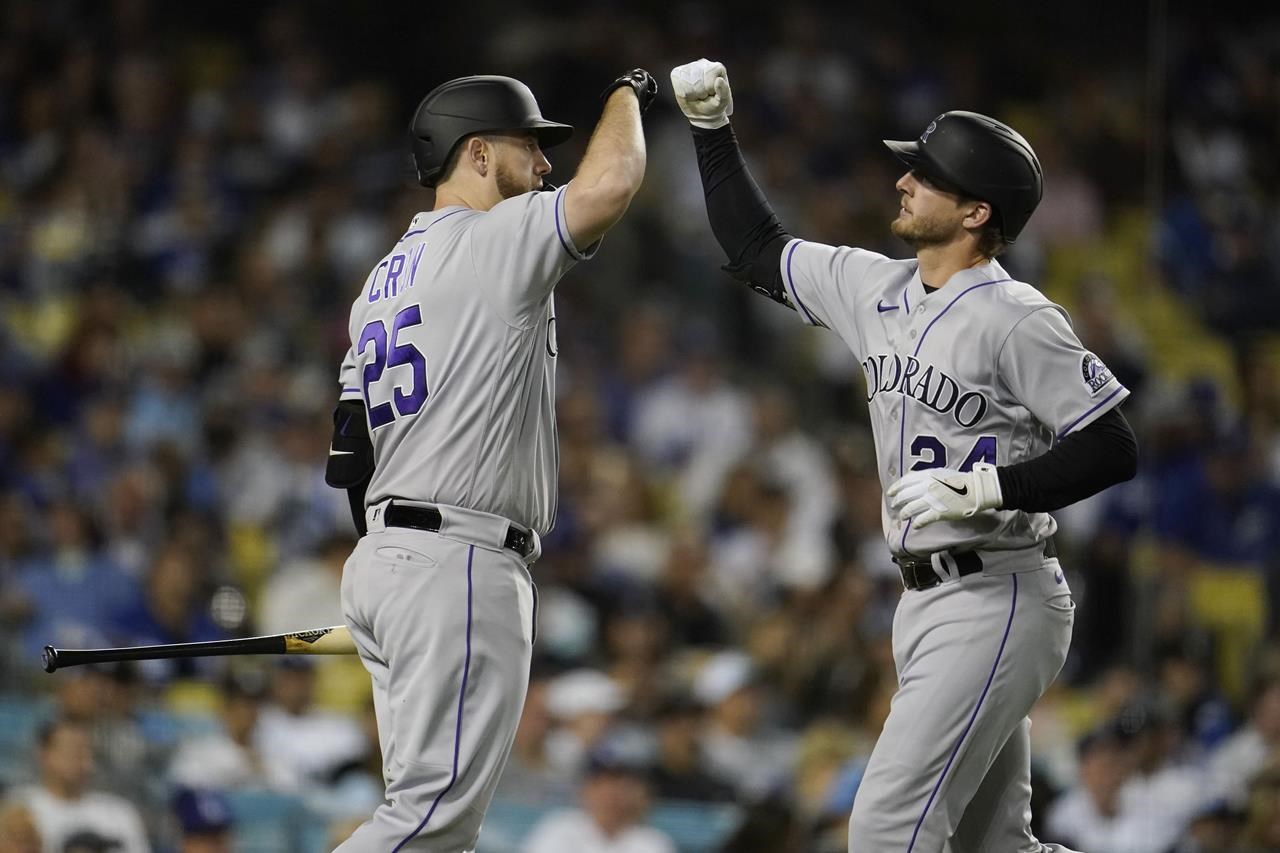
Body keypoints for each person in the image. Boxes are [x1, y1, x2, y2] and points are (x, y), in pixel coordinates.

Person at [669, 59, 1139, 852]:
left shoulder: (1017, 317)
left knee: (886, 828)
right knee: (995, 845)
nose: (904, 182)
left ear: (976, 211)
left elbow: (1112, 447)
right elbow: (756, 248)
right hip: (924, 598)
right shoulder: (873, 287)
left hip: (997, 590)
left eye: (927, 175)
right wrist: (712, 131)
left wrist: (989, 487)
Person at [324, 70, 654, 851]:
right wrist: (629, 92)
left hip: (392, 556)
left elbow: (349, 456)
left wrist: (394, 570)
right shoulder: (492, 239)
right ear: (476, 153)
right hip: (459, 559)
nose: (544, 164)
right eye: (528, 146)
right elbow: (611, 183)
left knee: (436, 829)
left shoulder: (379, 284)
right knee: (430, 822)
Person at [14, 717, 150, 853]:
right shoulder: (21, 807)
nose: (80, 758)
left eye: (85, 750)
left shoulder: (119, 812)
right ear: (44, 754)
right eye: (70, 750)